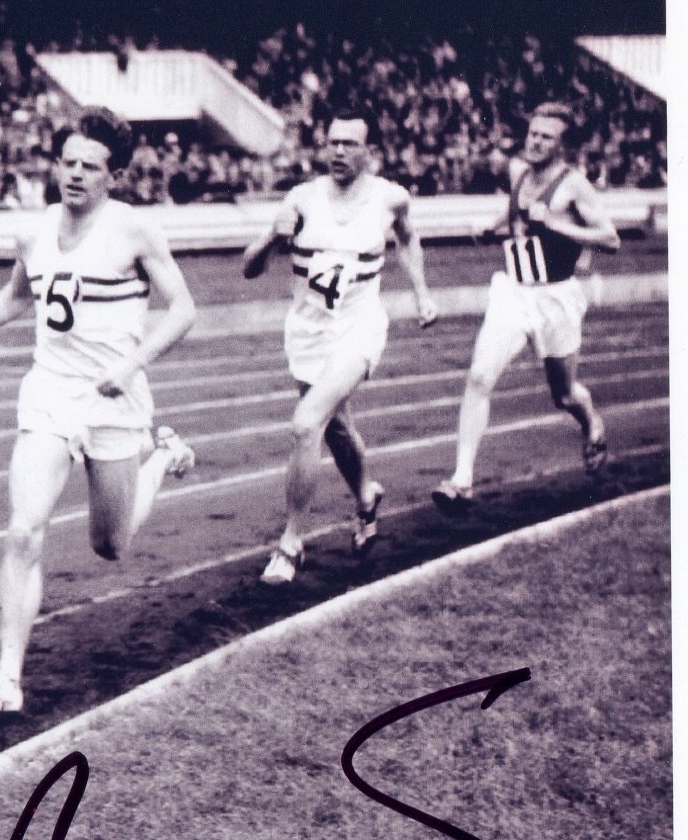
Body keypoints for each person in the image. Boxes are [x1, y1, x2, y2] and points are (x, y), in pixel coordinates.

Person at [0, 107, 200, 717]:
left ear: (113, 176)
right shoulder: (34, 231)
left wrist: (132, 364)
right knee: (24, 527)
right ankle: (7, 679)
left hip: (114, 399)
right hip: (51, 393)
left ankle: (161, 454)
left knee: (110, 547)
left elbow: (184, 308)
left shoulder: (134, 230)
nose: (76, 174)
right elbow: (19, 295)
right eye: (68, 162)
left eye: (90, 166)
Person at [242, 114, 437, 584]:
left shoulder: (391, 198)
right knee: (336, 429)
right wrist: (273, 235)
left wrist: (422, 292)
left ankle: (290, 543)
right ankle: (366, 497)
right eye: (333, 142)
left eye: (350, 143)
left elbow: (409, 241)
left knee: (307, 422)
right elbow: (248, 269)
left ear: (369, 151)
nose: (339, 152)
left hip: (360, 327)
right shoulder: (301, 199)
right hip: (309, 331)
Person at [432, 101, 620, 509]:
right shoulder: (519, 174)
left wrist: (556, 224)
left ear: (561, 145)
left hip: (556, 296)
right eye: (533, 133)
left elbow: (611, 238)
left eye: (545, 137)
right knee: (480, 376)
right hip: (513, 290)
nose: (534, 141)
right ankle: (461, 479)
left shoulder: (574, 185)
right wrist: (490, 228)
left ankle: (591, 423)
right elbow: (512, 214)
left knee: (564, 394)